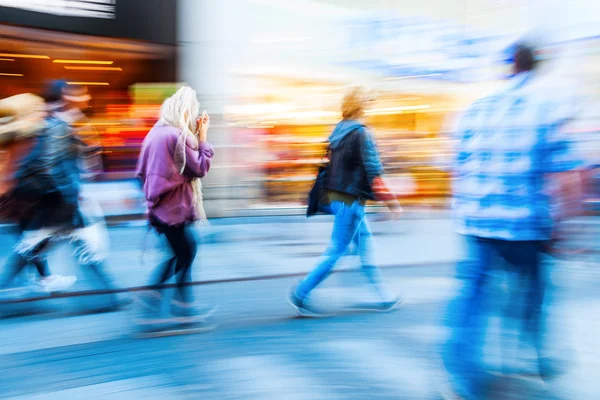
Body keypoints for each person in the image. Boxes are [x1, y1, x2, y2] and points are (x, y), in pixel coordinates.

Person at [440, 43, 588, 399]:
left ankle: (462, 377)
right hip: (525, 225)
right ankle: (536, 353)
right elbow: (567, 177)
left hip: (477, 222)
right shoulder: (547, 108)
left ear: (508, 66)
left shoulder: (475, 108)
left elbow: (453, 165)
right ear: (537, 67)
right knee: (535, 289)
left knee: (471, 296)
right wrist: (565, 230)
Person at [288, 87, 403, 316]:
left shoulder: (338, 131)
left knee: (365, 246)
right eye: (368, 105)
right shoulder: (362, 133)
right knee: (337, 250)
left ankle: (383, 296)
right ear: (362, 107)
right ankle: (301, 293)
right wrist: (392, 202)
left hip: (339, 198)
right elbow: (374, 172)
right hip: (352, 202)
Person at [136, 86, 214, 321]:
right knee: (185, 252)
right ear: (185, 111)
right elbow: (199, 167)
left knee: (183, 252)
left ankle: (180, 305)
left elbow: (141, 170)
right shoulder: (176, 136)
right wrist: (203, 137)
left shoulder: (155, 133)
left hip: (160, 207)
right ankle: (157, 297)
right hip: (173, 208)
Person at [0, 92, 76, 293]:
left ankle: (44, 276)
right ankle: (14, 280)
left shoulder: (17, 133)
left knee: (28, 240)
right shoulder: (26, 134)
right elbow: (28, 166)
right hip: (20, 196)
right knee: (29, 242)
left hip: (17, 196)